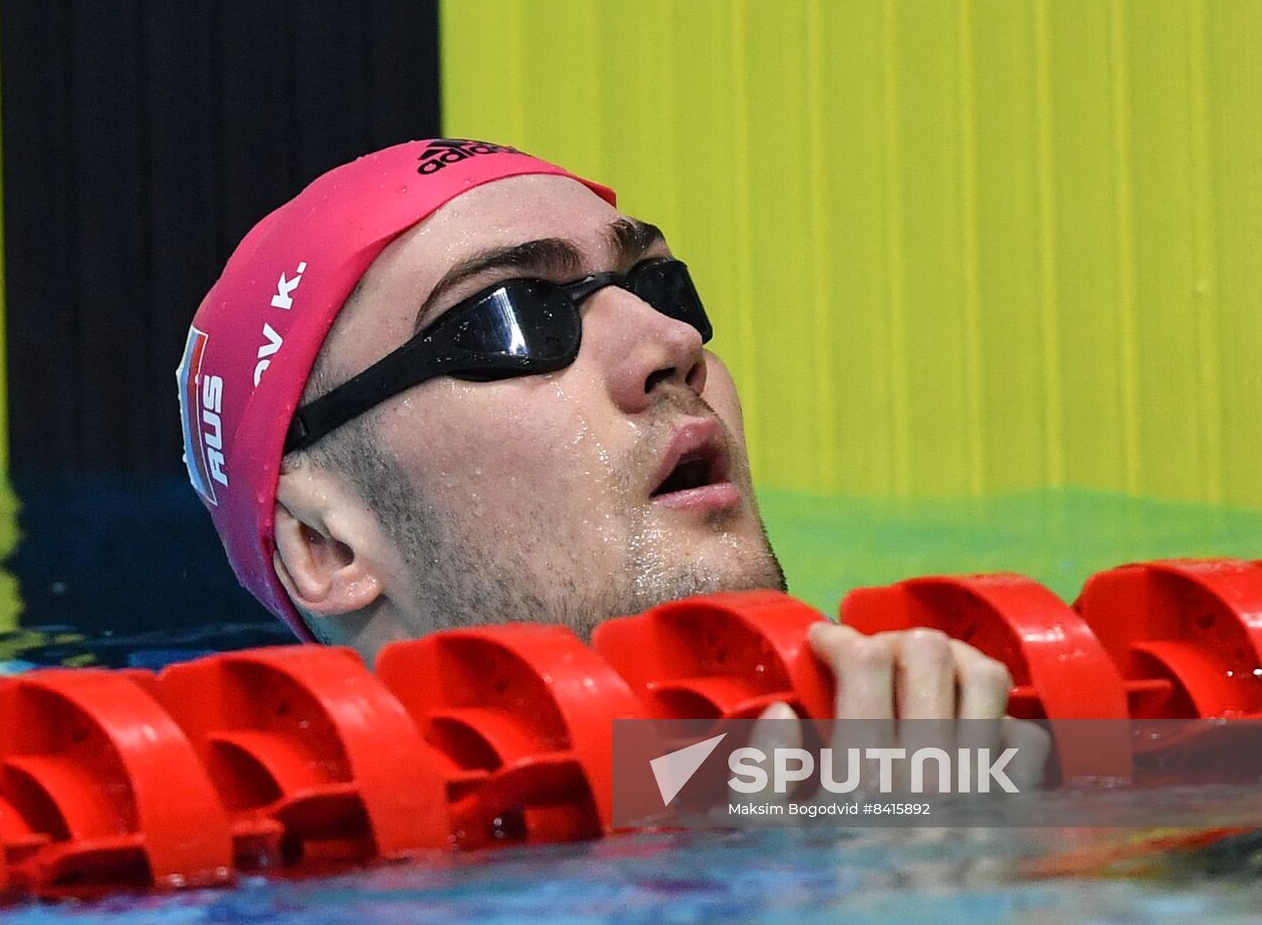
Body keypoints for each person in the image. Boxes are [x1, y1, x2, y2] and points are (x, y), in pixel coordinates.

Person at [178, 137, 1024, 728]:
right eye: (510, 316)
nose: (672, 343)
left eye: (660, 286)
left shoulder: (951, 757)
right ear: (324, 545)